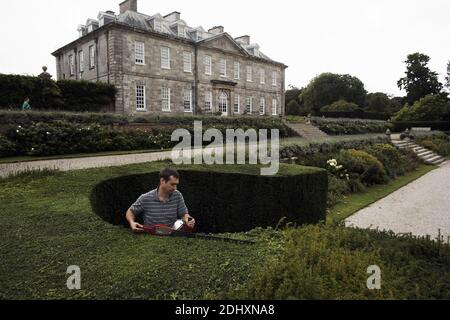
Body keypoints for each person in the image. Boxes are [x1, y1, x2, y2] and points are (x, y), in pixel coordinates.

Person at [126, 168, 196, 233]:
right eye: (172, 184)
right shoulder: (145, 198)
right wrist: (132, 223)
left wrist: (188, 219)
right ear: (162, 181)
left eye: (176, 184)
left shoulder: (177, 195)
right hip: (151, 236)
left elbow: (183, 214)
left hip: (170, 235)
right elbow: (130, 211)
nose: (175, 188)